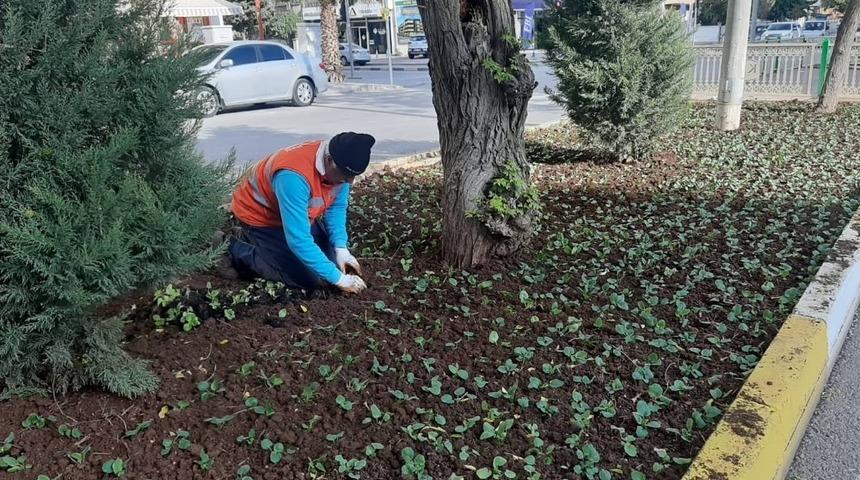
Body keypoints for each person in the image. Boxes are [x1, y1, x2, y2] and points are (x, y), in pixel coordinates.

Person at [223, 132, 374, 294]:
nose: (349, 181)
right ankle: (230, 247)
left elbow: (336, 207)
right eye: (346, 175)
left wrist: (341, 248)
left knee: (331, 265)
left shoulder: (339, 164)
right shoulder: (293, 177)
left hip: (296, 214)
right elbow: (298, 240)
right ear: (329, 160)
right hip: (260, 217)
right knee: (308, 279)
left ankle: (268, 247)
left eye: (353, 176)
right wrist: (340, 279)